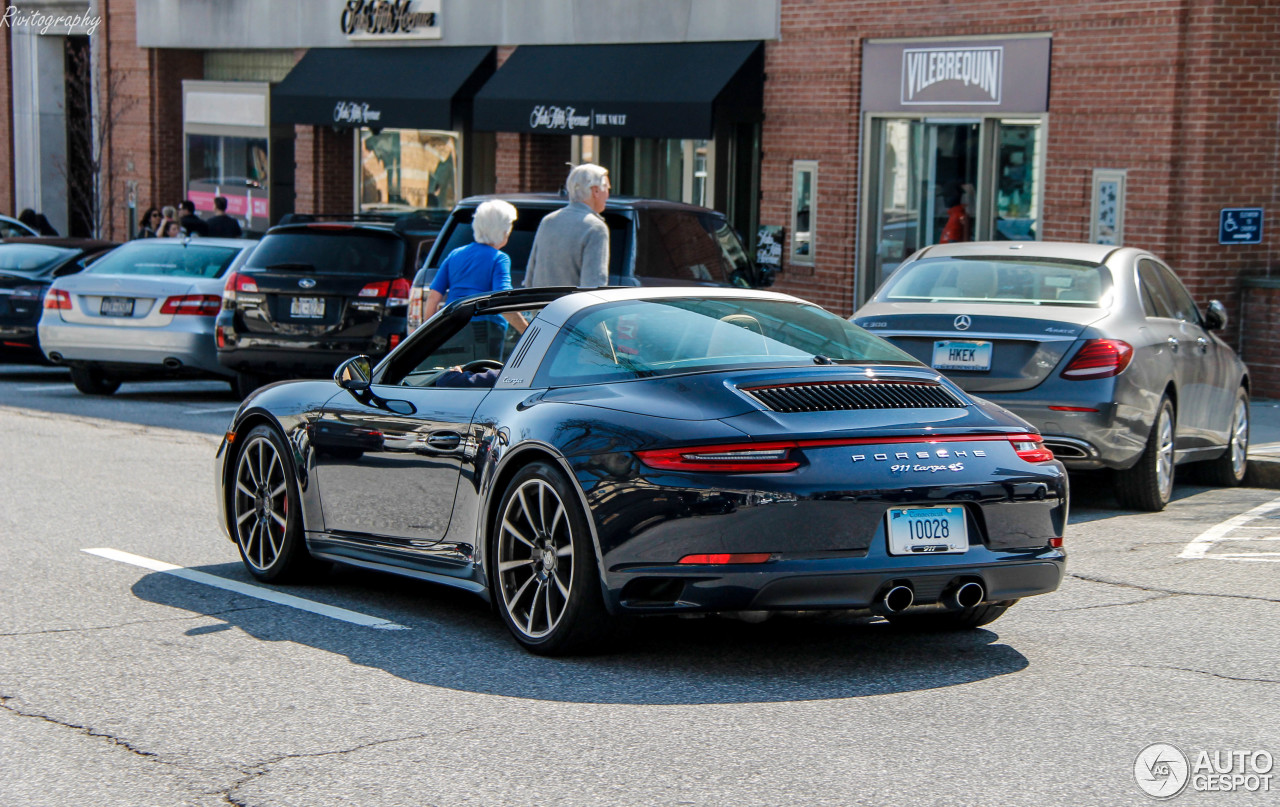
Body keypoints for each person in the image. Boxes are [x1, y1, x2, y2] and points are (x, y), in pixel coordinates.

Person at [423, 199, 527, 354]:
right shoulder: (499, 258)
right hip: (486, 332)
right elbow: (503, 299)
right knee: (481, 376)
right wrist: (527, 331)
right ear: (503, 230)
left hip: (452, 327)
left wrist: (426, 335)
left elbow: (433, 297)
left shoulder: (454, 254)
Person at [523, 163, 610, 288]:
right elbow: (593, 286)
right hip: (573, 307)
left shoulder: (548, 221)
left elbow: (530, 277)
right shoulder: (596, 228)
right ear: (595, 190)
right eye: (607, 188)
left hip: (542, 306)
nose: (607, 194)